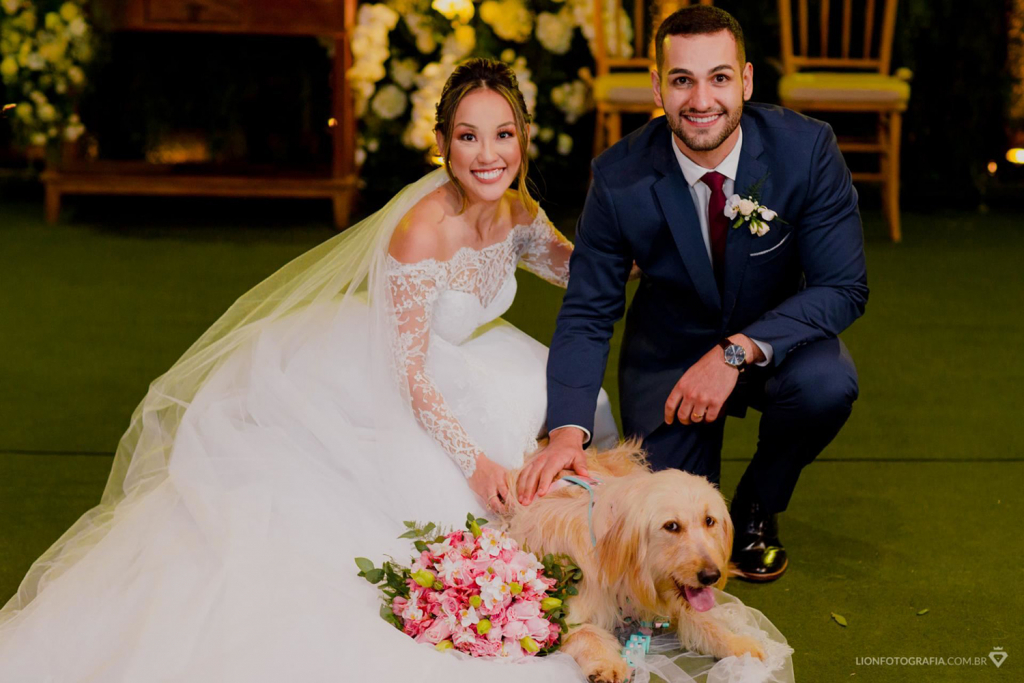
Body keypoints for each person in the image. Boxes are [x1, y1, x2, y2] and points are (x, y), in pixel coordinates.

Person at [0, 58, 793, 683]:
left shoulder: (517, 212)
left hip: (485, 365)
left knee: (556, 418)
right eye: (470, 137)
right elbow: (412, 376)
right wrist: (477, 459)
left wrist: (693, 246)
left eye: (503, 135)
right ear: (442, 143)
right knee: (454, 497)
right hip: (396, 379)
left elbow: (589, 270)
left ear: (523, 140)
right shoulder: (420, 232)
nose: (488, 155)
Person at [521, 6, 867, 583]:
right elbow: (587, 311)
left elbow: (843, 286)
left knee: (826, 384)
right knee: (663, 524)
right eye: (682, 80)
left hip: (773, 341)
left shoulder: (806, 150)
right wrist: (566, 432)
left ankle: (757, 506)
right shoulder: (618, 175)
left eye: (720, 78)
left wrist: (737, 351)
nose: (701, 99)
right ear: (658, 87)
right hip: (670, 356)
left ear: (747, 80)